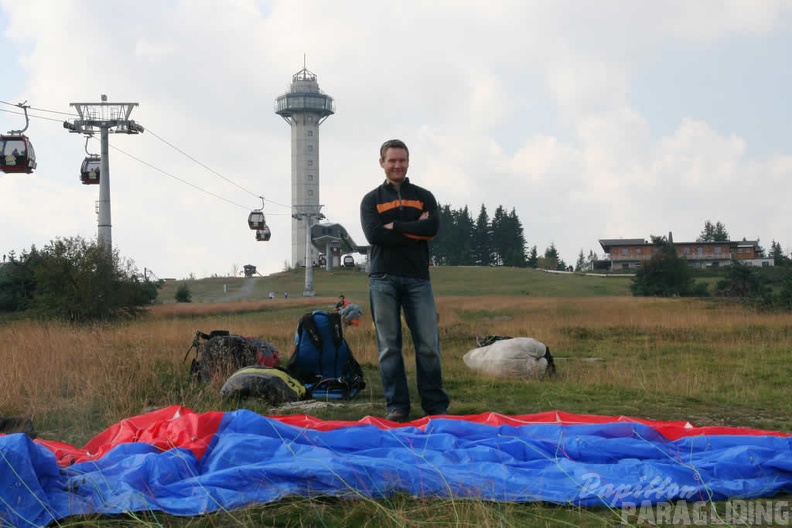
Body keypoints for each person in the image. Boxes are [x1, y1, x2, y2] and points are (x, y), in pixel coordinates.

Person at [360, 139, 450, 423]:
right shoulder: (370, 200)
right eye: (392, 161)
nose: (397, 165)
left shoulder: (425, 196)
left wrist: (396, 226)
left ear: (408, 161)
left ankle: (435, 406)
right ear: (382, 163)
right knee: (389, 347)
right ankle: (397, 407)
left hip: (417, 279)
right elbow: (375, 236)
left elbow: (432, 227)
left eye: (402, 160)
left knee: (428, 344)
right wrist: (416, 229)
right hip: (382, 279)